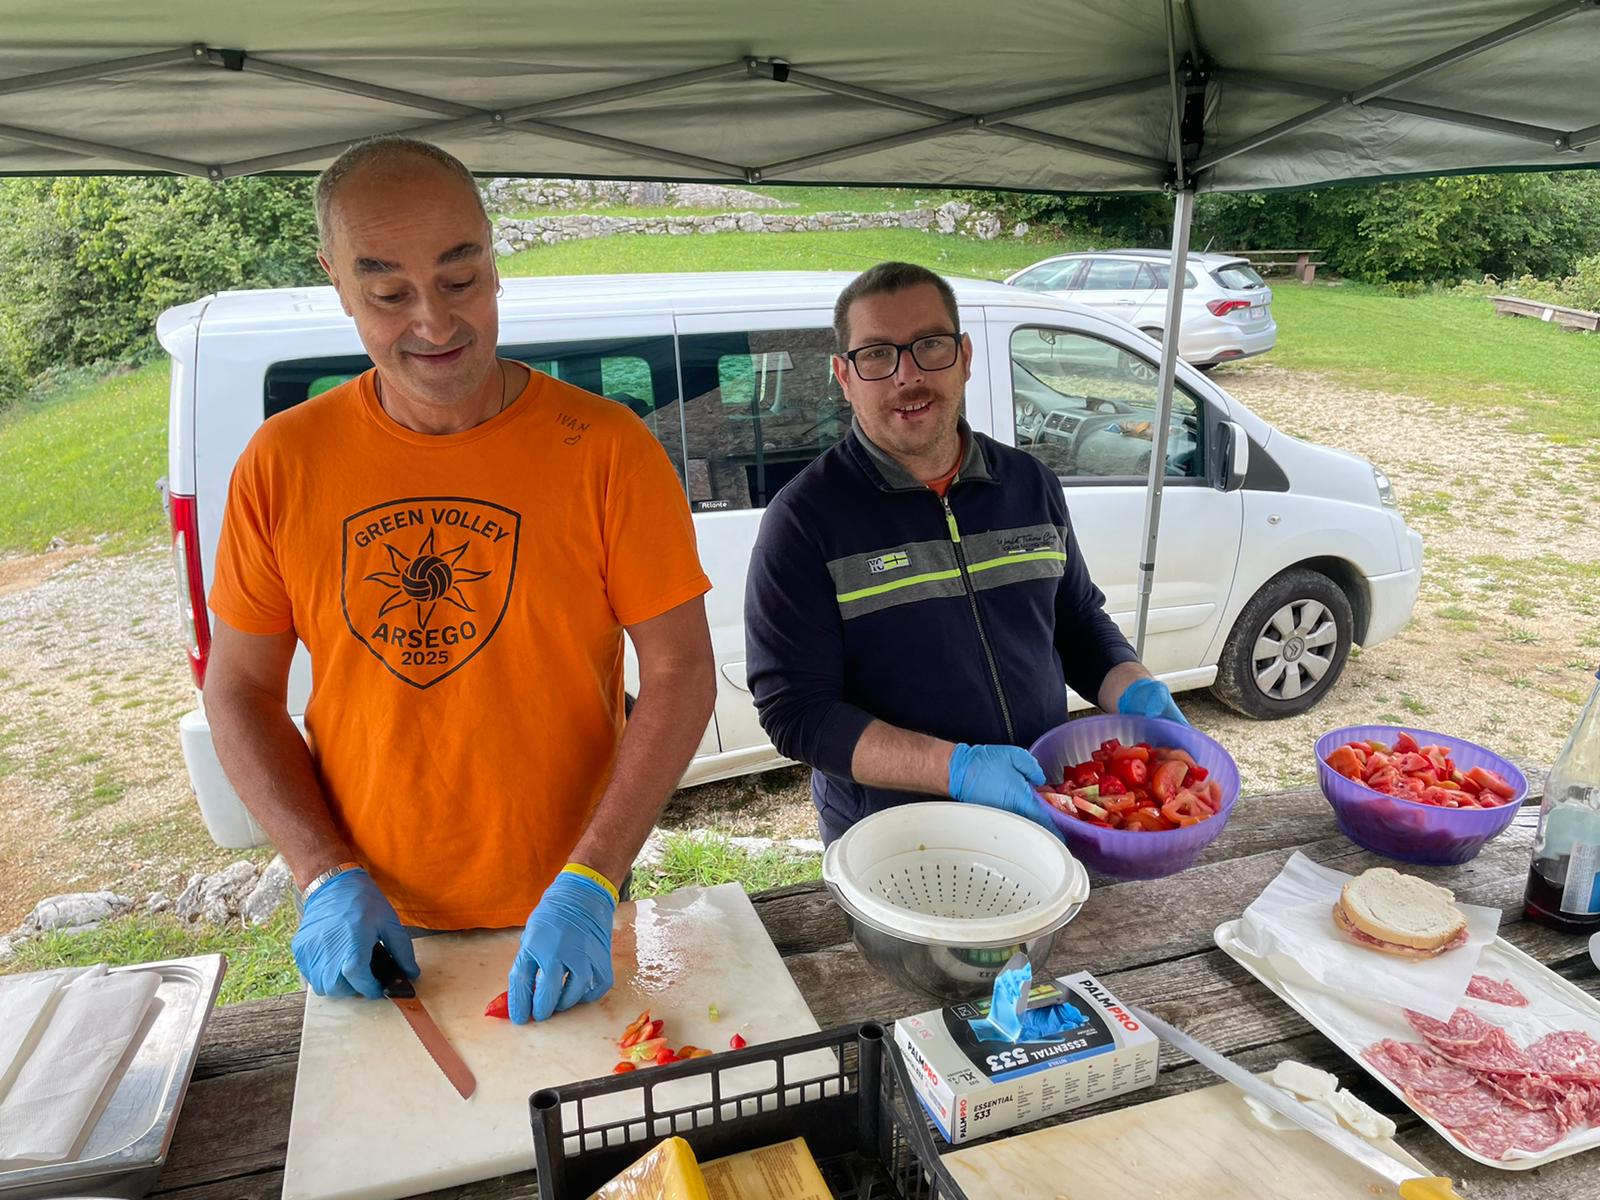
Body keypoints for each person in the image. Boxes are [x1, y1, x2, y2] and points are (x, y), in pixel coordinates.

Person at [203, 137, 716, 1023]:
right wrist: (322, 874)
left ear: (494, 260)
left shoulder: (606, 450)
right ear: (337, 282)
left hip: (575, 889)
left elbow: (680, 672)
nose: (435, 325)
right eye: (389, 294)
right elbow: (239, 689)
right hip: (372, 909)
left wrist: (593, 878)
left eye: (459, 278)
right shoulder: (283, 461)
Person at [743, 261, 1185, 844]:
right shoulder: (804, 520)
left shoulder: (1030, 484)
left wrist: (1134, 688)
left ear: (965, 356)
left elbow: (1074, 622)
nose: (907, 376)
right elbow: (796, 712)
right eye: (876, 354)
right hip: (897, 837)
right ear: (844, 376)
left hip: (1044, 805)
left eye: (930, 344)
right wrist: (957, 768)